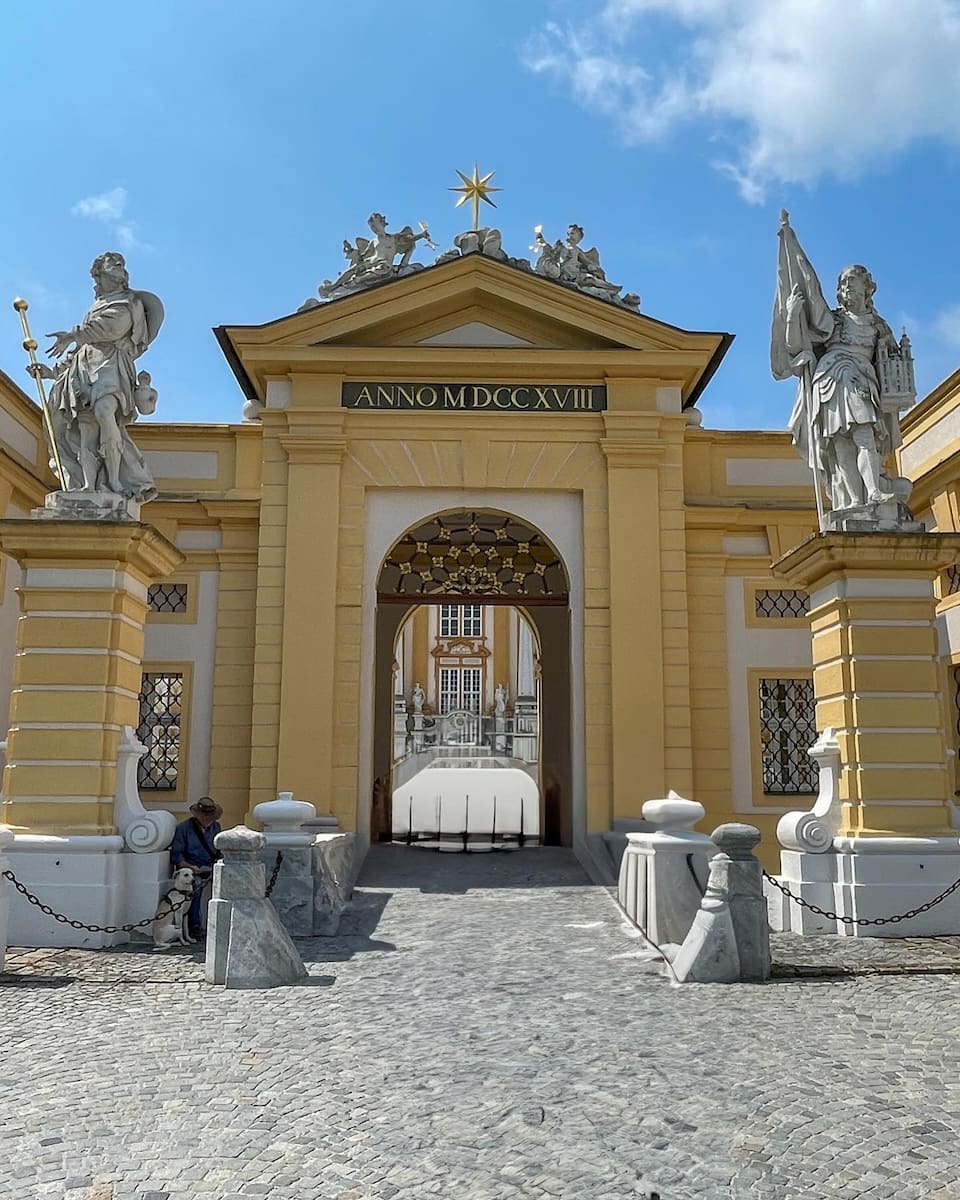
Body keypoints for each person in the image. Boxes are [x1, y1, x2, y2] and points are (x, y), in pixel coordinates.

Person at [40, 251, 161, 500]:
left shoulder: (129, 303)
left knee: (106, 413)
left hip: (112, 367)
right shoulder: (96, 307)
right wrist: (52, 372)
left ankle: (116, 481)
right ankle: (88, 485)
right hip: (84, 370)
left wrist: (74, 334)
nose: (118, 265)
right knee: (86, 429)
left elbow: (111, 329)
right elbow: (81, 350)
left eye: (120, 264)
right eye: (112, 263)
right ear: (99, 273)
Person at [786, 264, 902, 509]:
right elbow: (796, 346)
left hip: (860, 381)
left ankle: (874, 491)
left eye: (851, 280)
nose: (846, 286)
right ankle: (855, 502)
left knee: (864, 435)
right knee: (840, 445)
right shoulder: (833, 320)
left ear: (866, 287)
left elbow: (893, 361)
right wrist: (792, 316)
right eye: (842, 283)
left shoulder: (878, 325)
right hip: (830, 379)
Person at [169, 797, 223, 939]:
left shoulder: (216, 828)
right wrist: (191, 867)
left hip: (210, 866)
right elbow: (177, 855)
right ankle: (195, 927)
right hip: (192, 869)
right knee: (196, 885)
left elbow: (219, 851)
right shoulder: (184, 829)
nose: (208, 819)